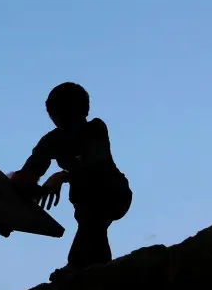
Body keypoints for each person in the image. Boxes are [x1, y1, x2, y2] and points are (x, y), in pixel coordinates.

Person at [9, 82, 133, 279]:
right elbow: (32, 169)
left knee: (92, 217)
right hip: (89, 201)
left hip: (112, 193)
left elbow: (95, 164)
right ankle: (95, 268)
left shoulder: (96, 128)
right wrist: (20, 188)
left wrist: (61, 176)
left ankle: (78, 264)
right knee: (93, 228)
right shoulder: (52, 140)